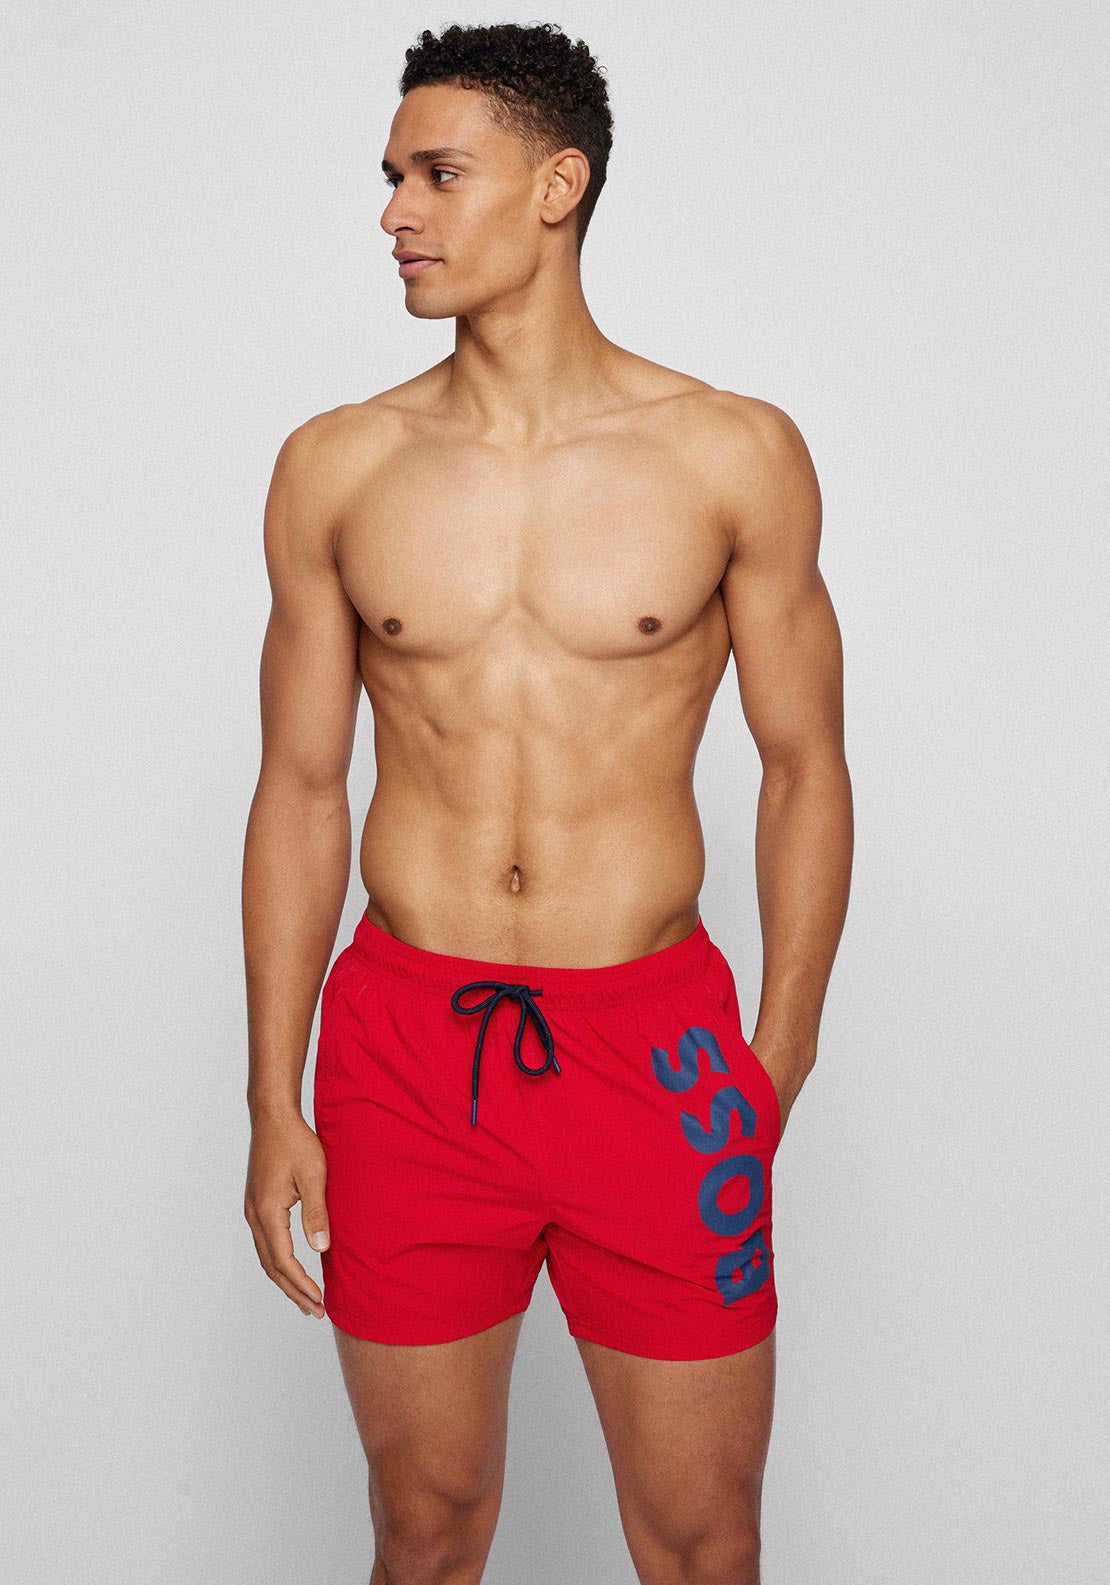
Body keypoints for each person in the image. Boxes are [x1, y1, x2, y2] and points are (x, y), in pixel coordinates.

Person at [242, 20, 852, 1585]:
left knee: (702, 1540)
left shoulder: (729, 452)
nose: (395, 213)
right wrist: (272, 1096)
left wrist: (777, 1050)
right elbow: (300, 788)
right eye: (392, 177)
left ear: (556, 186)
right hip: (403, 1051)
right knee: (424, 1527)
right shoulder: (336, 466)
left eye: (437, 175)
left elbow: (804, 763)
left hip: (653, 1050)